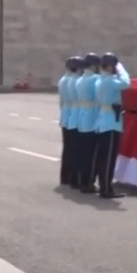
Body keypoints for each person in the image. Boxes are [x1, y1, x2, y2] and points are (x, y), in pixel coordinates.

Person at [94, 53, 130, 199]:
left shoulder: (100, 81)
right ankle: (106, 189)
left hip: (104, 120)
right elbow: (126, 83)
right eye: (114, 66)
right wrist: (121, 69)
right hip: (110, 123)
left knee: (104, 157)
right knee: (109, 158)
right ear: (110, 66)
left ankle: (105, 186)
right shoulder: (109, 81)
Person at [74, 53, 102, 193]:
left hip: (82, 117)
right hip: (93, 119)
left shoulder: (80, 80)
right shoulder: (95, 79)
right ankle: (88, 182)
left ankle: (82, 181)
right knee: (93, 155)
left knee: (83, 153)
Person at [58, 56, 82, 187]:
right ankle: (74, 177)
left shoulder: (63, 80)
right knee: (76, 149)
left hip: (66, 115)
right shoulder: (76, 80)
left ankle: (65, 177)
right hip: (76, 115)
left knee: (68, 148)